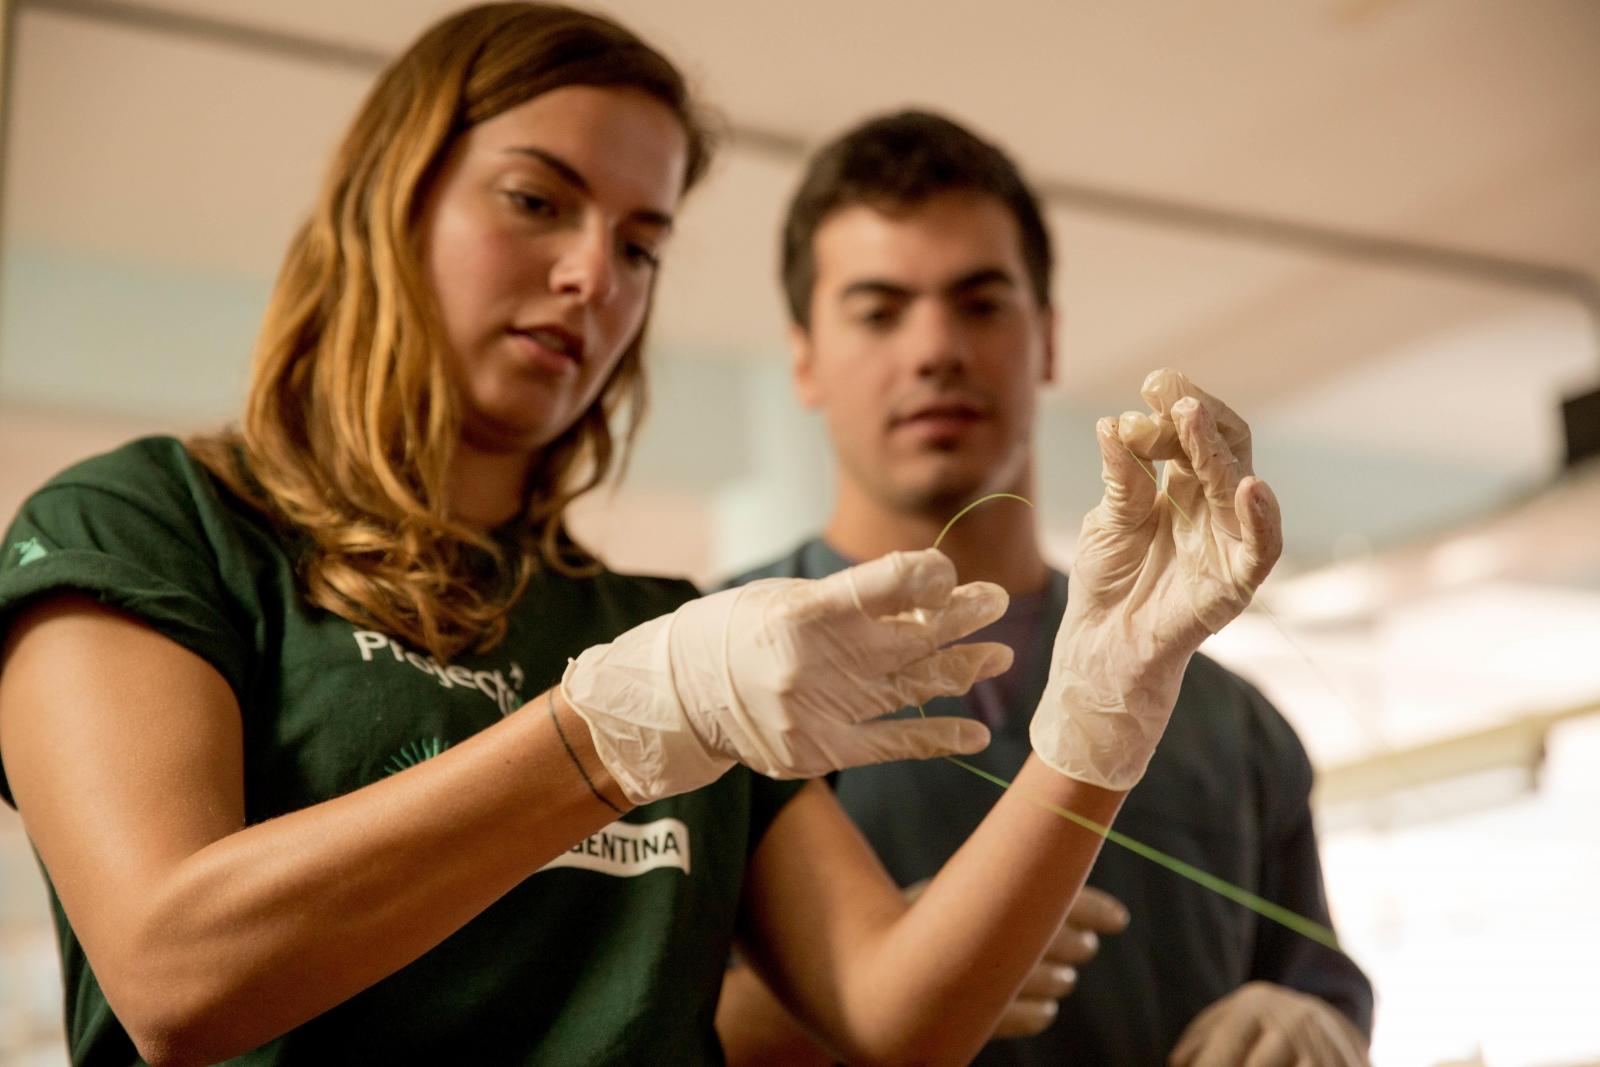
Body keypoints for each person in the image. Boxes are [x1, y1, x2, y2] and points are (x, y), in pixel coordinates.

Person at [0, 6, 1281, 1064]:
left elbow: (904, 1013)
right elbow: (174, 972)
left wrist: (1098, 713)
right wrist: (608, 729)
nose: (592, 276)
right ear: (393, 200)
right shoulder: (148, 524)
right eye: (535, 201)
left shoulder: (661, 628)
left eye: (641, 242)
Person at [714, 111, 1373, 1066]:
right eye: (879, 309)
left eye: (980, 303)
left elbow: (1319, 974)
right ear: (804, 358)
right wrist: (887, 976)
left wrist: (1319, 1024)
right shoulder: (709, 677)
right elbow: (620, 1016)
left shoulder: (1230, 723)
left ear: (1049, 338)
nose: (936, 347)